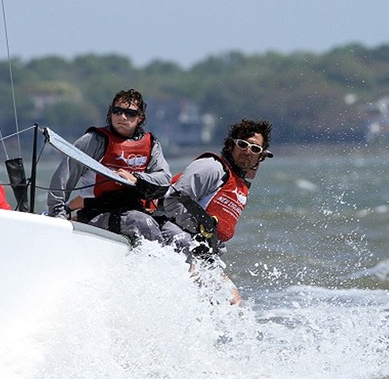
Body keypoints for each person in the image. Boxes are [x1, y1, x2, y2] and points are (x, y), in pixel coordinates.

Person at [158, 118, 273, 304]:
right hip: (172, 231)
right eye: (242, 144)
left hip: (203, 249)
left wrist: (210, 255)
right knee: (198, 276)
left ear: (260, 156)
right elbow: (172, 201)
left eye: (255, 149)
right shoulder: (211, 168)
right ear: (231, 145)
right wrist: (198, 235)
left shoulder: (240, 189)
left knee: (234, 300)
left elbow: (217, 233)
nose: (247, 151)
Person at [47, 89, 171, 242]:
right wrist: (57, 216)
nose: (122, 117)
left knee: (178, 236)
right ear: (111, 113)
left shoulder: (151, 144)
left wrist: (136, 179)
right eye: (117, 111)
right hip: (97, 213)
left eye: (130, 113)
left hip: (135, 210)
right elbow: (63, 178)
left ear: (140, 118)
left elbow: (164, 179)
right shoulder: (93, 140)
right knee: (144, 224)